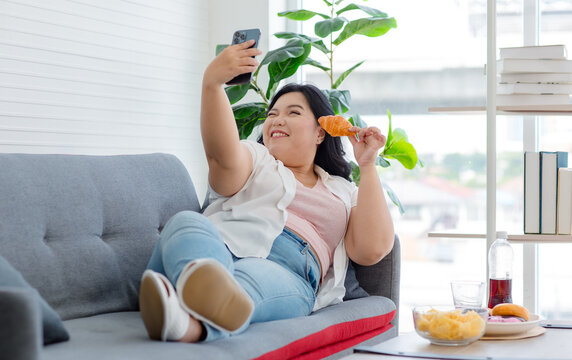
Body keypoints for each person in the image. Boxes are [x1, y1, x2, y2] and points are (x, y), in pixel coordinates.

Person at [139, 39, 395, 343]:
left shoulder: (343, 190)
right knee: (186, 223)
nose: (276, 119)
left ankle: (186, 317)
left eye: (293, 113)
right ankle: (198, 296)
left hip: (287, 272)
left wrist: (367, 166)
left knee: (243, 287)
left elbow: (371, 249)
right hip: (216, 247)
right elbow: (222, 160)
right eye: (272, 114)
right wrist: (213, 85)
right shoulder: (256, 158)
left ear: (319, 132)